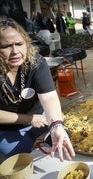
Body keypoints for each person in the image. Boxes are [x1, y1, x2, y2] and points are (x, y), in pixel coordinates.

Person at [0, 16, 75, 161]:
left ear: (26, 43)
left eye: (19, 44)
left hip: (42, 119)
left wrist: (56, 125)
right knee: (27, 160)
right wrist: (28, 119)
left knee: (66, 142)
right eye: (6, 46)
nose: (15, 51)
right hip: (8, 130)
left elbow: (49, 97)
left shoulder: (36, 62)